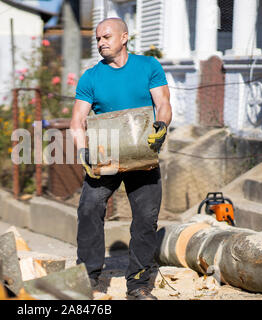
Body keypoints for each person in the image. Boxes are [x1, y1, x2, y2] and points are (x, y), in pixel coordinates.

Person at [70, 17, 172, 300]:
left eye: (106, 37)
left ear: (124, 37)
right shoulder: (91, 76)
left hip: (142, 153)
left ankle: (138, 285)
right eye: (98, 39)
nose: (101, 43)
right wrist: (83, 153)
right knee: (89, 207)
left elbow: (162, 103)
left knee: (146, 218)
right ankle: (89, 278)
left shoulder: (149, 66)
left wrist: (161, 126)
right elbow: (77, 121)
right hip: (106, 154)